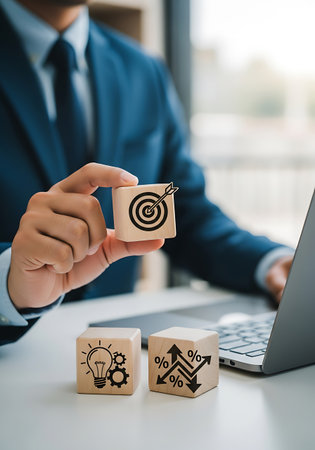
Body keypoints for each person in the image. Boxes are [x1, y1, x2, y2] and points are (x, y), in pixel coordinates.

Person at [0, 0, 293, 346]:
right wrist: (8, 283)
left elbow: (185, 214)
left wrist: (273, 262)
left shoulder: (142, 69)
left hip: (122, 358)